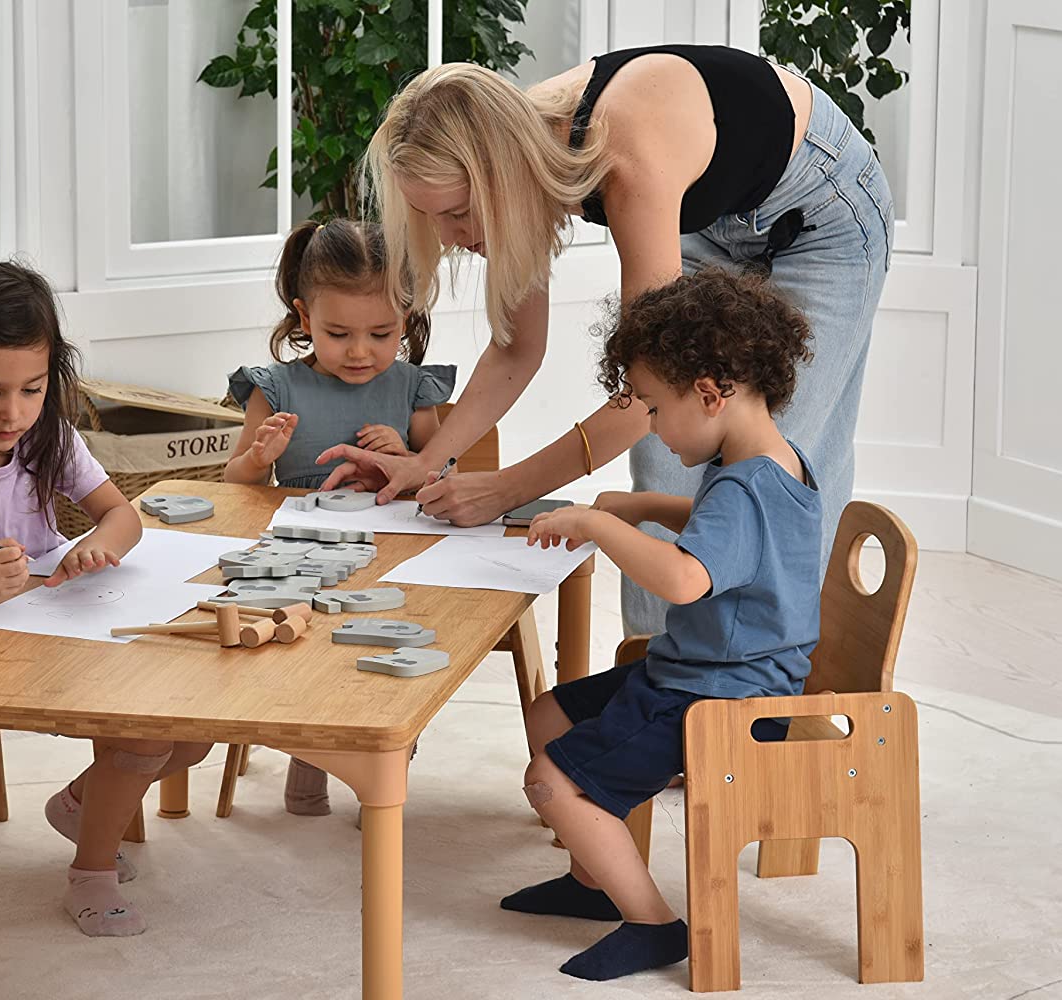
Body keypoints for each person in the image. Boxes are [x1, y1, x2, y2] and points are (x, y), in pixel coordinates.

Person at [316, 45, 892, 636]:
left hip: (820, 209)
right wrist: (427, 464)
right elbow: (518, 348)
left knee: (768, 457)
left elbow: (651, 393)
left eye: (459, 212)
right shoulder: (516, 145)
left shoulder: (625, 158)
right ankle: (651, 671)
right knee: (668, 450)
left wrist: (506, 489)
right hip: (710, 216)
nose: (450, 235)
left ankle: (773, 692)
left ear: (500, 176)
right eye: (431, 215)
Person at [0, 260, 211, 937]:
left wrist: (96, 545)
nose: (12, 413)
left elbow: (124, 515)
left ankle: (85, 803)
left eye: (30, 389)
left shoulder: (47, 435)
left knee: (193, 726)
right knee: (142, 732)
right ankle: (91, 871)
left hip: (53, 623)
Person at [504, 267, 820, 981]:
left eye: (652, 407)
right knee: (551, 711)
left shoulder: (744, 486)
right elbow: (734, 536)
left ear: (709, 394)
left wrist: (596, 523)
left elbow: (685, 577)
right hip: (708, 670)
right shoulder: (770, 460)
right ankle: (593, 884)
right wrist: (649, 509)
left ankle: (653, 926)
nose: (649, 425)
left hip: (723, 696)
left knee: (551, 780)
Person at [224, 218, 455, 813]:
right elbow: (234, 485)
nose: (360, 351)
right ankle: (309, 762)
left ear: (406, 316)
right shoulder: (273, 387)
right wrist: (258, 457)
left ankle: (381, 777)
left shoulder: (412, 387)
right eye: (338, 332)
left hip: (390, 554)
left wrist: (407, 459)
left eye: (381, 333)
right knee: (309, 643)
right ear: (304, 320)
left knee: (395, 646)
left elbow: (441, 478)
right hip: (298, 555)